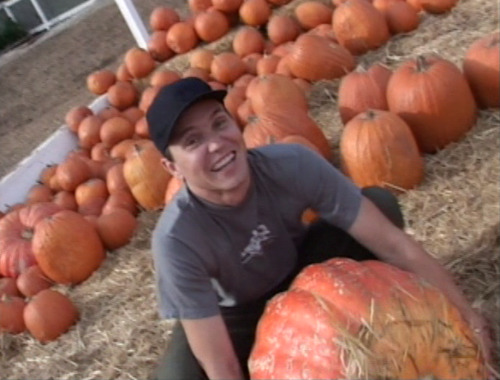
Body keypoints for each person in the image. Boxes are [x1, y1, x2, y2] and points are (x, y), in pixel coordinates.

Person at [146, 77, 493, 380]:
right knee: (179, 374)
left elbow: (395, 245)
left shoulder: (292, 164)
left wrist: (468, 315)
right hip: (237, 314)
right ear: (172, 167)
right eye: (192, 142)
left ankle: (380, 313)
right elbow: (221, 363)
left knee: (380, 206)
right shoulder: (176, 240)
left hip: (305, 270)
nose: (216, 143)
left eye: (219, 124)